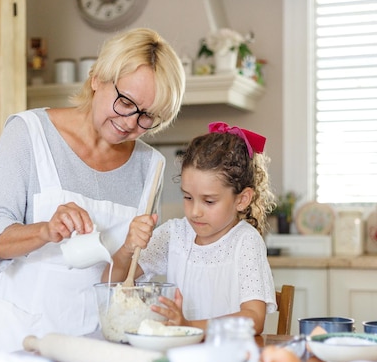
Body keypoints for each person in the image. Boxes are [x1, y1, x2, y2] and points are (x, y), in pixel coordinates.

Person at [0, 28, 186, 352]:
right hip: (18, 336)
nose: (131, 122)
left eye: (148, 117)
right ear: (97, 78)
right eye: (126, 101)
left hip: (97, 344)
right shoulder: (28, 134)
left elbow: (125, 277)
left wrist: (129, 249)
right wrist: (45, 230)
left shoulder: (150, 167)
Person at [103, 121, 278, 334]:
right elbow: (110, 284)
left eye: (209, 201)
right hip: (180, 358)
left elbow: (253, 319)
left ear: (242, 199)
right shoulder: (175, 234)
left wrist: (189, 327)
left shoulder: (245, 241)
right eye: (187, 197)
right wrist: (127, 249)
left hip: (229, 358)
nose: (195, 211)